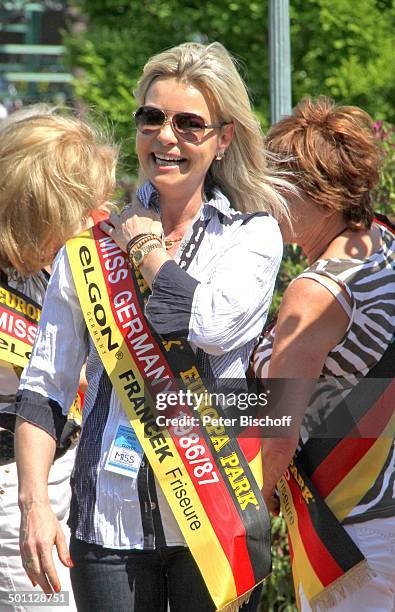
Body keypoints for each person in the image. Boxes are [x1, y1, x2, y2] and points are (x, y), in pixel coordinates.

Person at [13, 42, 291, 612]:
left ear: (223, 140)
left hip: (215, 518)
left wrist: (144, 249)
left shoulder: (252, 236)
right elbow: (45, 388)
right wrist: (35, 505)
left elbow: (206, 325)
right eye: (152, 118)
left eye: (190, 124)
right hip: (106, 523)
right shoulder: (86, 245)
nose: (166, 137)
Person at [254, 97, 395, 611]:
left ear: (321, 193)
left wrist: (246, 515)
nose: (267, 201)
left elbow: (279, 429)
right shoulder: (383, 243)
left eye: (278, 188)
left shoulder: (315, 292)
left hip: (348, 536)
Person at [0, 105, 118, 611]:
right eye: (85, 205)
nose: (100, 216)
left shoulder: (57, 267)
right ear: (40, 207)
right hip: (16, 493)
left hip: (67, 480)